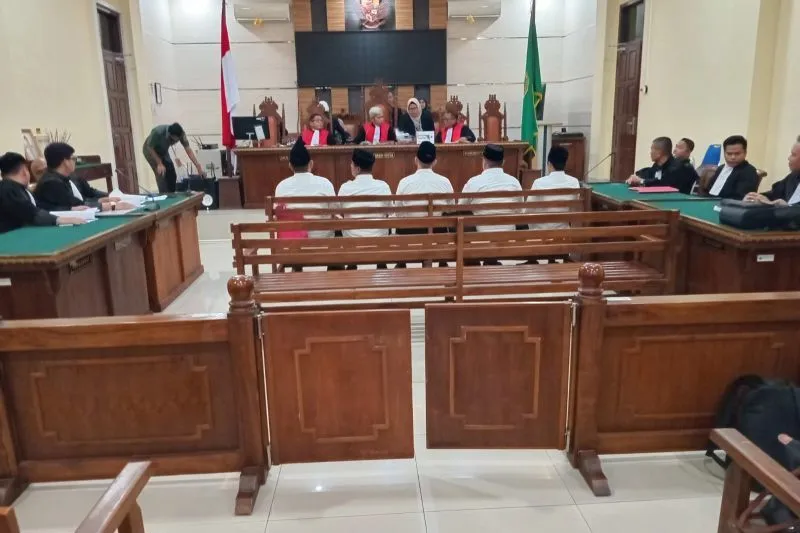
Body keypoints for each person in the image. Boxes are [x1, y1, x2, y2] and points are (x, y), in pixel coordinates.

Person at [394, 142, 454, 268]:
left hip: (410, 234)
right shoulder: (445, 182)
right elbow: (450, 210)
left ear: (416, 160)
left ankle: (402, 262)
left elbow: (398, 213)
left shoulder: (404, 183)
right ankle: (442, 261)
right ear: (435, 162)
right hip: (438, 234)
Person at [0, 152, 86, 233]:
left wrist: (70, 209)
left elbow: (41, 206)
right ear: (24, 171)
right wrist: (60, 220)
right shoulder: (8, 189)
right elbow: (30, 212)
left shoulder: (18, 188)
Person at [35, 143, 134, 212]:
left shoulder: (70, 176)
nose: (75, 162)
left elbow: (89, 192)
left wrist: (109, 197)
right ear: (65, 161)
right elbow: (78, 205)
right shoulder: (51, 183)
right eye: (73, 158)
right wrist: (112, 206)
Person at [338, 149, 392, 269]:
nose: (350, 166)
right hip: (378, 241)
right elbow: (391, 212)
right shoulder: (383, 186)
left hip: (352, 241)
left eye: (352, 164)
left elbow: (338, 212)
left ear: (357, 169)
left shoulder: (345, 188)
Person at [275, 139, 336, 238]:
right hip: (322, 239)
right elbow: (335, 210)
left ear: (290, 166)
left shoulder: (281, 186)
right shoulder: (325, 183)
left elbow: (278, 214)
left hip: (293, 242)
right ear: (311, 164)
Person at [461, 144, 522, 239]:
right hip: (509, 239)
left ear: (484, 161)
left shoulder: (473, 182)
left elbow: (461, 208)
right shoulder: (514, 182)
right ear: (503, 162)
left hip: (482, 239)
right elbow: (519, 210)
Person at [143, 122, 206, 193]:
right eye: (174, 140)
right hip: (150, 151)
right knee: (161, 173)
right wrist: (159, 163)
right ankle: (163, 195)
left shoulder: (182, 134)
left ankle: (172, 194)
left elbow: (188, 150)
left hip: (163, 150)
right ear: (170, 135)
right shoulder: (158, 132)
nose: (175, 142)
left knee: (171, 172)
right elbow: (150, 147)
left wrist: (198, 166)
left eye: (177, 140)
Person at [529, 145, 581, 230]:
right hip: (564, 232)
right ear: (565, 163)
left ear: (549, 164)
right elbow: (573, 210)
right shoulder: (574, 182)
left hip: (540, 232)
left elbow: (529, 210)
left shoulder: (538, 183)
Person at [625, 137, 698, 194]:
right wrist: (636, 177)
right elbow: (649, 173)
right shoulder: (658, 164)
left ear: (659, 152)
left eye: (652, 149)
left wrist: (641, 181)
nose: (650, 152)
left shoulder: (680, 167)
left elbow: (663, 184)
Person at [745, 141, 800, 206]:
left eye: (793, 155)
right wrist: (754, 197)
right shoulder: (793, 176)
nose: (789, 158)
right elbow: (773, 194)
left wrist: (787, 207)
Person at [705, 135, 760, 200]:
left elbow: (741, 198)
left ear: (745, 153)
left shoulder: (749, 171)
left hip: (728, 205)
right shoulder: (720, 168)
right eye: (729, 154)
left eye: (737, 154)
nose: (733, 157)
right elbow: (709, 190)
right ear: (724, 153)